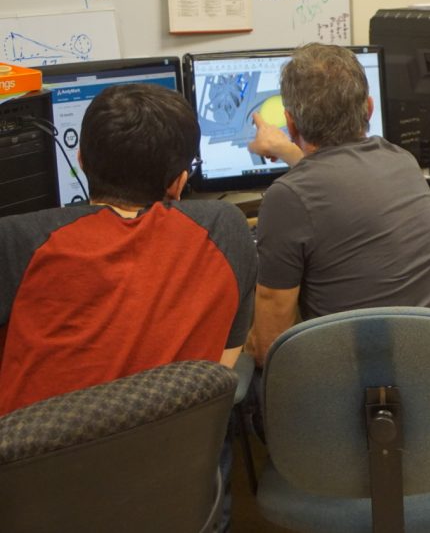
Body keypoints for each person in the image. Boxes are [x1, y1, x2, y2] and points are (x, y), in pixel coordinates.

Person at [0, 83, 256, 416]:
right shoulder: (224, 229)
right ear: (179, 183)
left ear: (80, 160)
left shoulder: (16, 241)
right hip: (181, 458)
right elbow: (219, 371)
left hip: (37, 464)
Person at [246, 43, 430, 366]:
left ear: (291, 123)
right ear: (368, 109)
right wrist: (288, 151)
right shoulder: (402, 161)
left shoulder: (287, 197)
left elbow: (269, 350)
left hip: (356, 392)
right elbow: (335, 174)